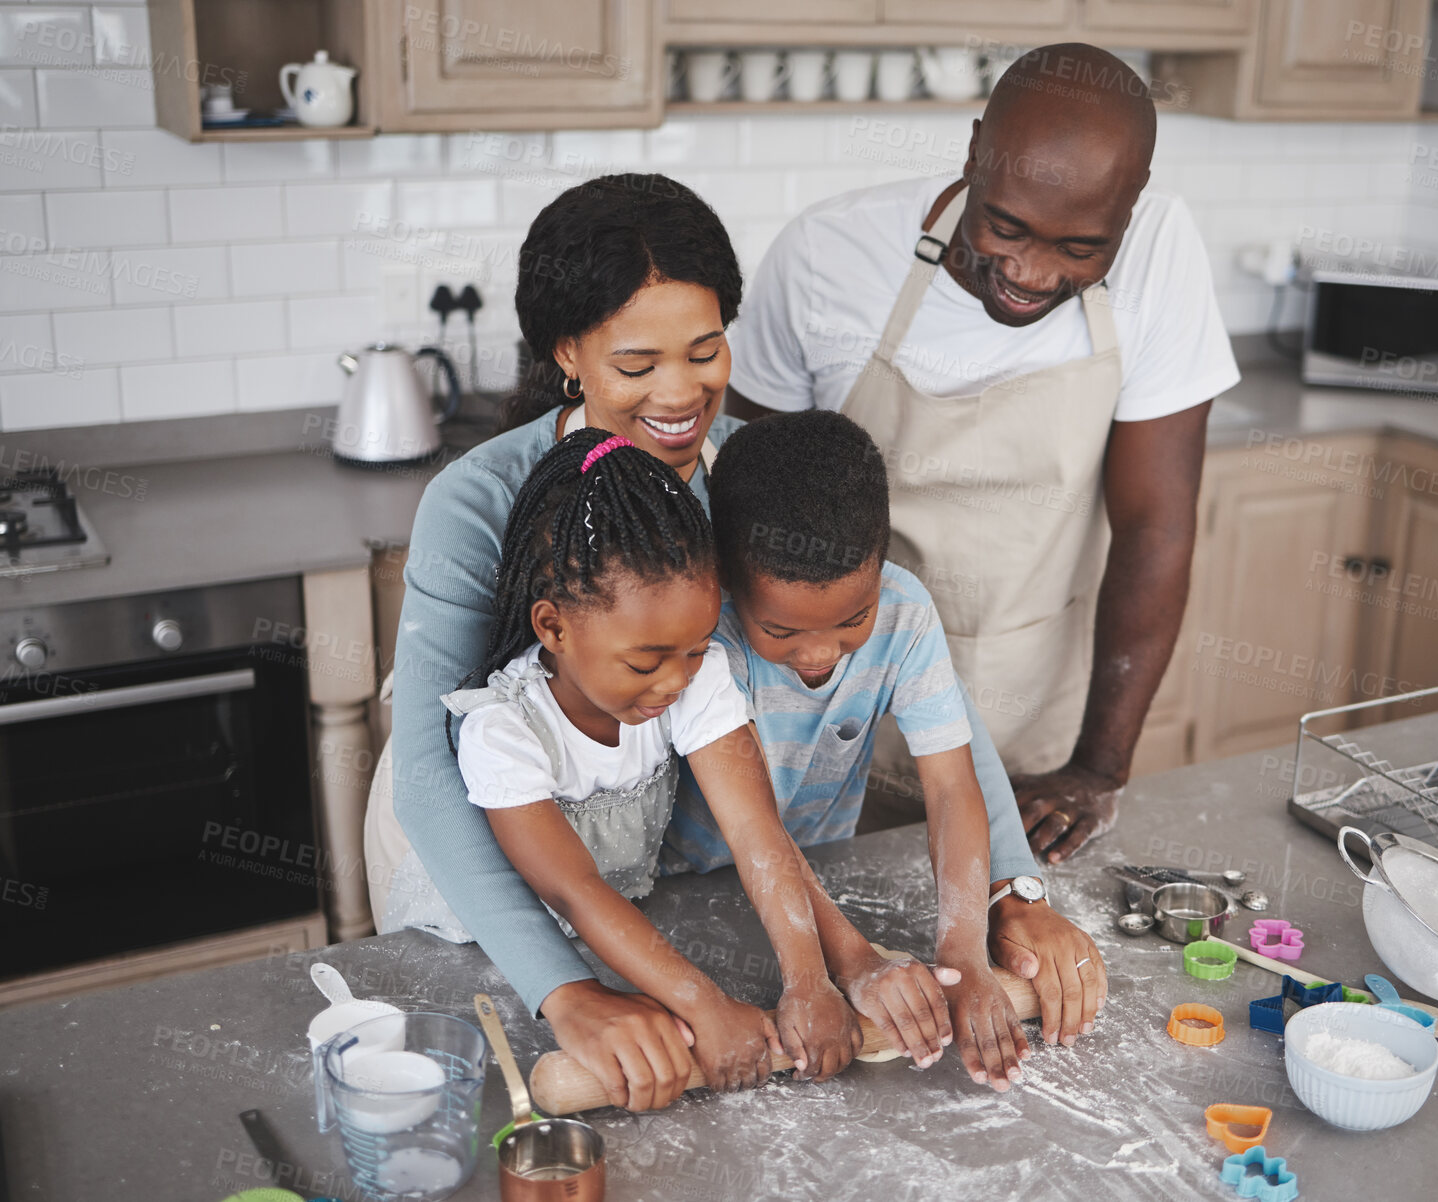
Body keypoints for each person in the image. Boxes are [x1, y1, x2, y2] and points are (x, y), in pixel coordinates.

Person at [723, 45, 1240, 864]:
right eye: (1005, 226)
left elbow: (1155, 527)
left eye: (1081, 248)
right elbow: (744, 501)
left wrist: (1098, 768)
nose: (1030, 272)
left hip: (1031, 731)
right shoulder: (828, 255)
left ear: (1130, 211)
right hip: (824, 724)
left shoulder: (1163, 253)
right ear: (973, 154)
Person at [370, 175, 755, 1108]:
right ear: (567, 355)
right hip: (467, 867)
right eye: (636, 366)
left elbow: (899, 624)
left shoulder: (747, 474)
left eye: (705, 352)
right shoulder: (478, 500)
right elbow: (428, 771)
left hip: (626, 857)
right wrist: (567, 990)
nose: (680, 394)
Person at [438, 425, 958, 1102]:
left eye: (694, 649)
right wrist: (706, 1007)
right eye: (646, 661)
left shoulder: (691, 671)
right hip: (487, 953)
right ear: (553, 627)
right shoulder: (503, 731)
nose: (673, 683)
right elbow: (575, 890)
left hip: (615, 935)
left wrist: (809, 979)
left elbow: (755, 829)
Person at [667, 410, 1108, 1080]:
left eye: (853, 619)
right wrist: (844, 967)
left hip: (821, 869)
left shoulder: (905, 612)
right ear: (727, 580)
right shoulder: (708, 640)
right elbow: (753, 829)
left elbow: (952, 787)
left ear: (881, 565)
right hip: (693, 892)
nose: (818, 652)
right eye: (781, 629)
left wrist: (963, 958)